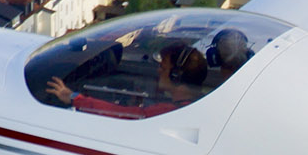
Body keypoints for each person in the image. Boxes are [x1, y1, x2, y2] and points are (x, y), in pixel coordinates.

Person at [47, 43, 209, 119]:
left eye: (163, 67)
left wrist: (74, 98)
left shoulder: (169, 112)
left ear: (176, 76)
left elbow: (122, 114)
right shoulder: (199, 105)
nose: (158, 71)